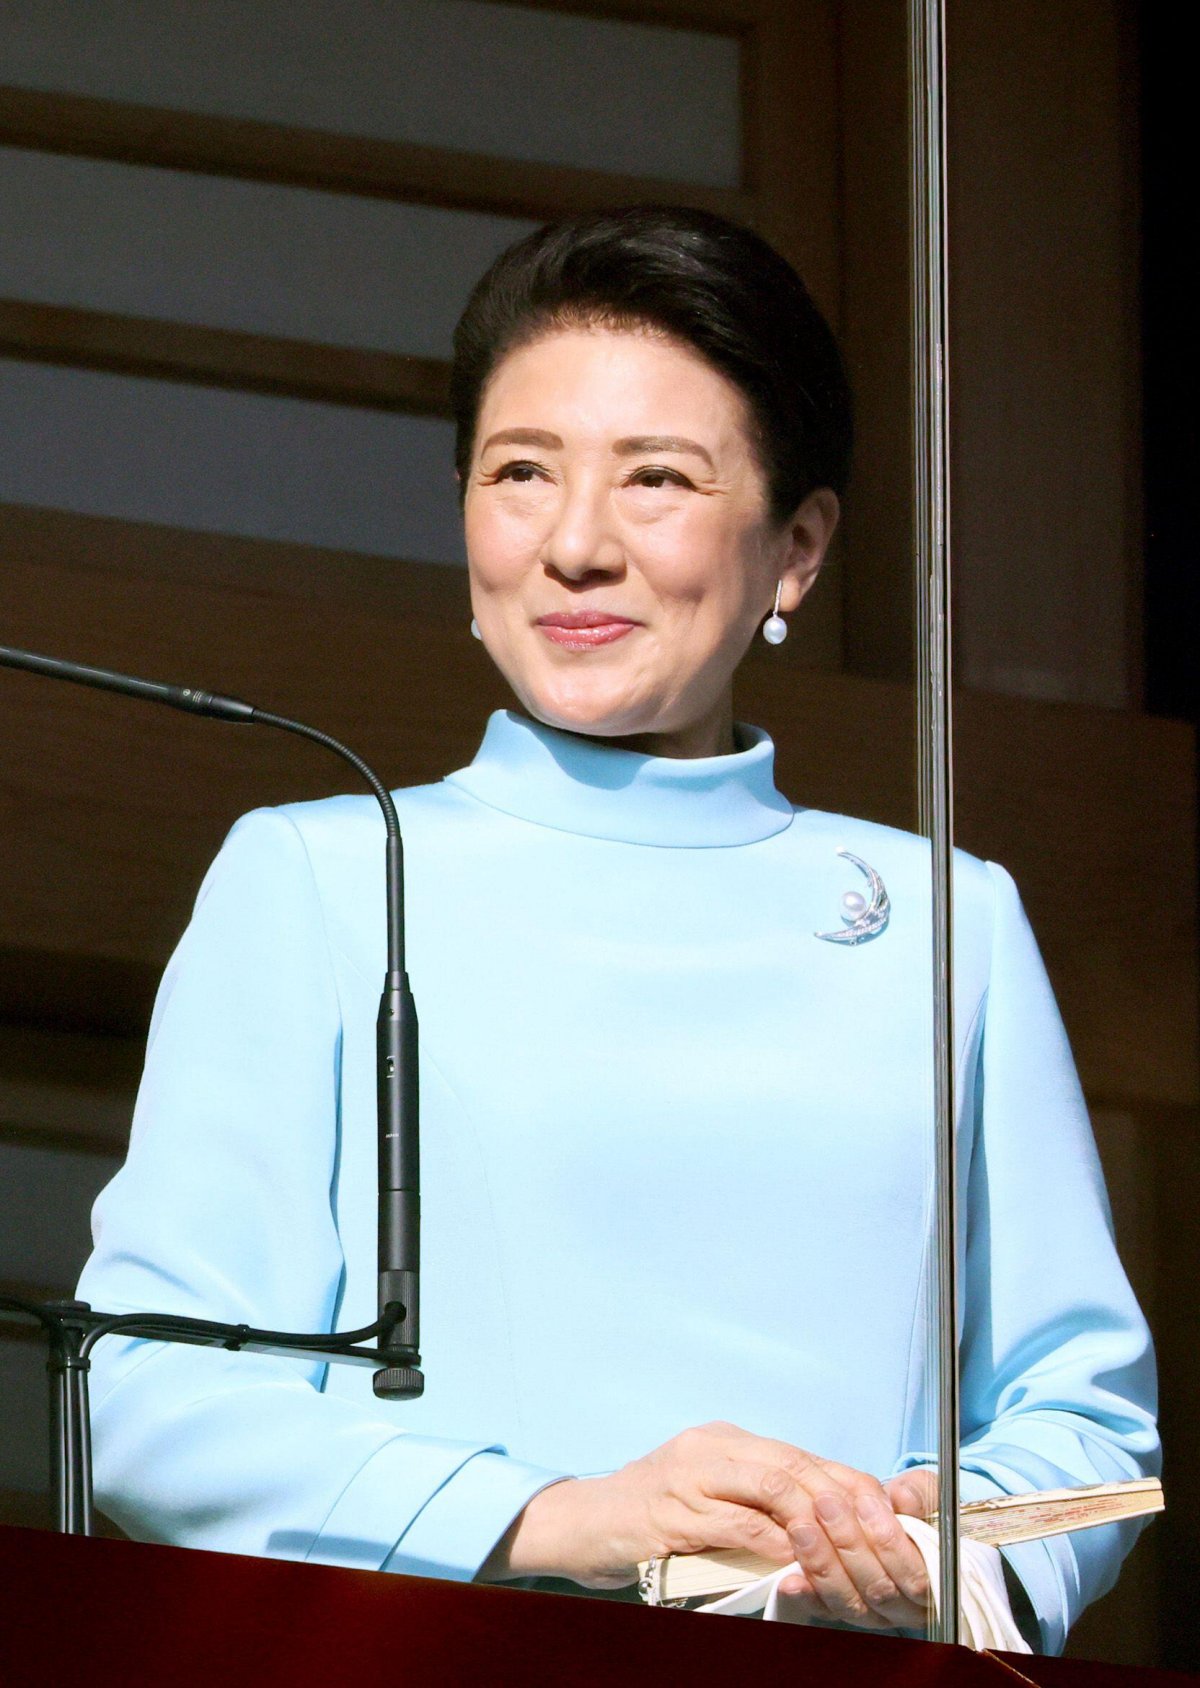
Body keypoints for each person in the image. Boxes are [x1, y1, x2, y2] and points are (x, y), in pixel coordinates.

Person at [77, 207, 1158, 1655]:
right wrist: (566, 1517)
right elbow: (148, 1390)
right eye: (522, 473)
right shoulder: (315, 876)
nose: (575, 545)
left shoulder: (948, 919)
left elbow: (1090, 1428)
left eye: (659, 479)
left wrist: (924, 1547)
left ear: (799, 549)